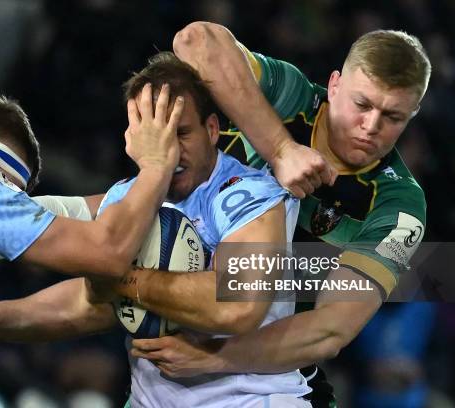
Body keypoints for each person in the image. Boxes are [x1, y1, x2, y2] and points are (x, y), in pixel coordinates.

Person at [0, 52, 312, 407]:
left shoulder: (251, 194)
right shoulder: (130, 198)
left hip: (249, 398)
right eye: (157, 137)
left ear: (212, 129)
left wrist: (120, 277)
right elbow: (87, 306)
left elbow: (237, 306)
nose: (170, 152)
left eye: (181, 133)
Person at [116, 23, 431, 407]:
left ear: (413, 114)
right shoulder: (292, 97)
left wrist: (217, 358)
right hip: (164, 339)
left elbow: (330, 330)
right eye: (361, 104)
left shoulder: (400, 208)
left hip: (271, 372)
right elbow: (193, 41)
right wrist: (281, 149)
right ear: (334, 86)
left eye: (393, 117)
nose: (371, 127)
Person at [0, 91, 178, 345]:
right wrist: (155, 166)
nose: (175, 146)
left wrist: (220, 355)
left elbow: (82, 210)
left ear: (213, 129)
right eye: (13, 193)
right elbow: (106, 253)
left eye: (180, 134)